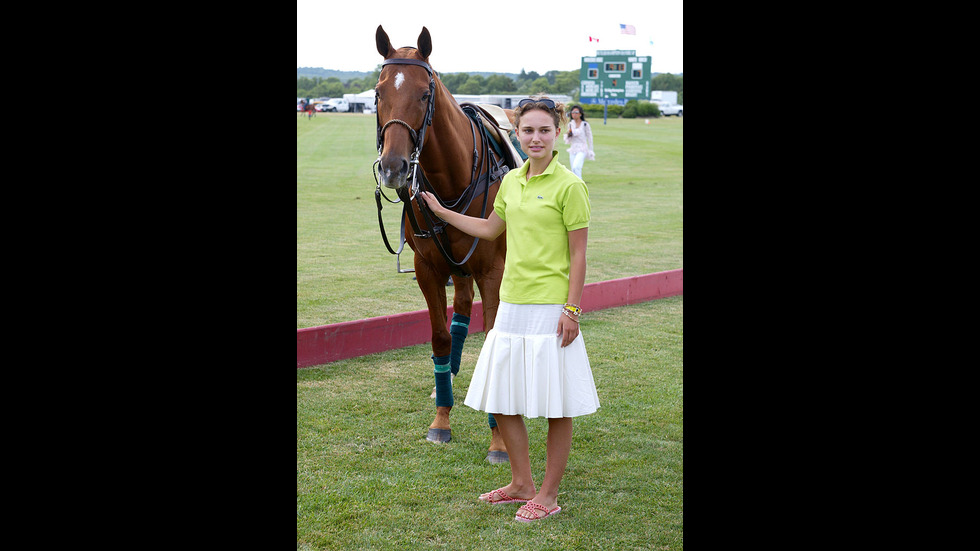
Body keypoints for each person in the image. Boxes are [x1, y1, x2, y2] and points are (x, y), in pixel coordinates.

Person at [418, 95, 600, 523]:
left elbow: (579, 256)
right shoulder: (512, 182)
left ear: (557, 133)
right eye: (528, 130)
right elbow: (489, 228)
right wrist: (443, 212)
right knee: (500, 396)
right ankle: (521, 484)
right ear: (516, 132)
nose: (535, 138)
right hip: (511, 306)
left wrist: (572, 309)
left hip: (551, 307)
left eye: (544, 130)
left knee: (557, 405)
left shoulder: (570, 185)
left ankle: (548, 495)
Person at [563, 105, 594, 180]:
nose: (574, 114)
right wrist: (569, 135)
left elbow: (589, 137)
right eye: (573, 112)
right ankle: (576, 184)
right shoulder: (570, 124)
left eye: (576, 112)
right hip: (573, 148)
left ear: (580, 114)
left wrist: (590, 149)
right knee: (573, 170)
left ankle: (580, 183)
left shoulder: (585, 124)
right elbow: (568, 139)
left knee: (576, 167)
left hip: (582, 148)